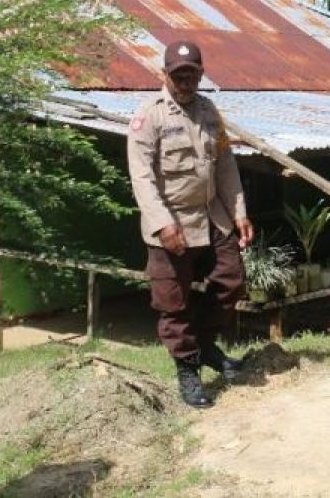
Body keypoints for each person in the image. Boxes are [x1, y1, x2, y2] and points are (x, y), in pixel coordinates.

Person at [127, 40, 255, 409]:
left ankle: (204, 346)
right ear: (164, 75)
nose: (185, 81)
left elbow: (226, 164)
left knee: (231, 281)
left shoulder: (209, 111)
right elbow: (142, 178)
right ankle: (188, 370)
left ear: (201, 73)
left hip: (210, 214)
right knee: (174, 301)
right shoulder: (148, 117)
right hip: (170, 219)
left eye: (192, 74)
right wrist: (163, 225)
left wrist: (239, 212)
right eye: (178, 74)